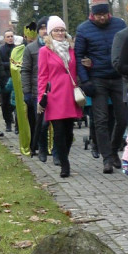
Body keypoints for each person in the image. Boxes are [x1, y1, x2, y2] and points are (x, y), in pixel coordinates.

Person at [75, 0, 128, 173]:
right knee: (100, 120)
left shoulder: (119, 25)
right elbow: (78, 56)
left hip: (118, 76)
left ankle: (113, 150)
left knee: (123, 118)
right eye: (98, 15)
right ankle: (106, 158)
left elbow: (127, 46)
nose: (102, 17)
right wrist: (85, 81)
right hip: (97, 79)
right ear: (93, 14)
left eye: (104, 14)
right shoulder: (83, 29)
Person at [36, 16, 83, 178]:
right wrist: (41, 97)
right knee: (59, 132)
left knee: (69, 133)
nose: (60, 33)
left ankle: (65, 156)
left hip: (70, 95)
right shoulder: (44, 51)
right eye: (56, 30)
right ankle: (64, 164)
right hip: (54, 96)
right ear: (50, 32)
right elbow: (42, 76)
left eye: (62, 30)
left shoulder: (71, 49)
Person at [21, 17, 49, 160]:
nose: (44, 31)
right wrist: (26, 91)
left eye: (47, 28)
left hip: (55, 91)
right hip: (37, 92)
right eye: (42, 28)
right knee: (42, 123)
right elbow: (25, 70)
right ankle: (42, 148)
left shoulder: (57, 47)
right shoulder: (30, 49)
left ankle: (57, 151)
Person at [0, 28, 17, 133]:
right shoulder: (1, 50)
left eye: (11, 36)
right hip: (5, 79)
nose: (10, 38)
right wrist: (11, 64)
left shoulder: (17, 49)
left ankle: (17, 125)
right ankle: (8, 123)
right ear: (4, 39)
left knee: (16, 103)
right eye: (8, 37)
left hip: (16, 79)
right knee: (5, 103)